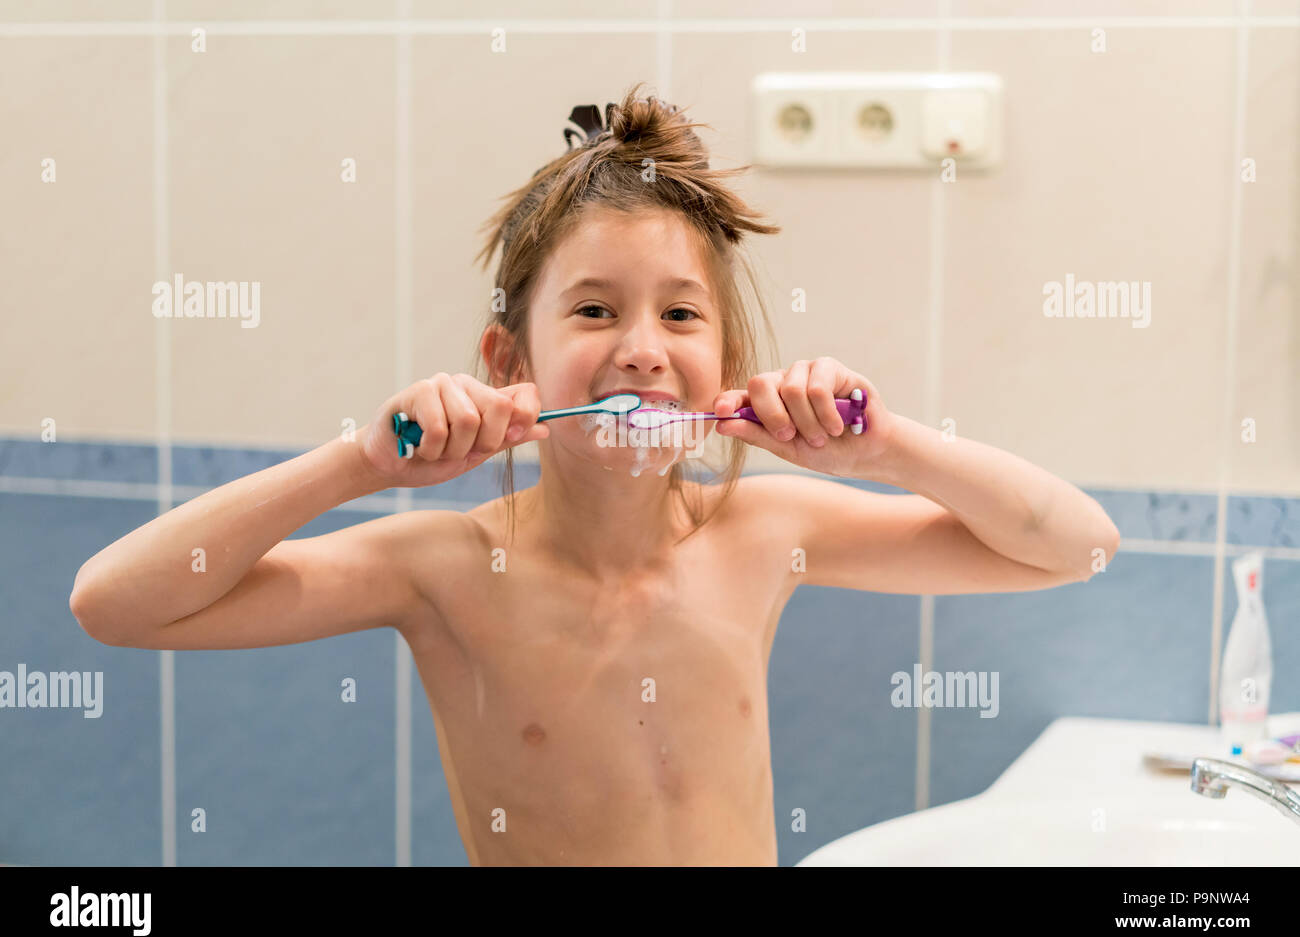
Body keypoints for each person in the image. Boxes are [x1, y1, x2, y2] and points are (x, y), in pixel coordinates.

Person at [69, 83, 1120, 866]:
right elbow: (114, 604)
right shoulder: (440, 565)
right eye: (591, 309)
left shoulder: (762, 530)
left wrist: (888, 447)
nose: (640, 348)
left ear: (725, 359)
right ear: (507, 363)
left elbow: (1076, 546)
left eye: (678, 312)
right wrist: (355, 463)